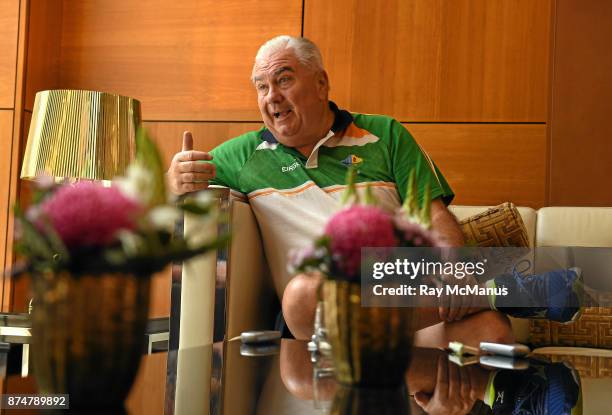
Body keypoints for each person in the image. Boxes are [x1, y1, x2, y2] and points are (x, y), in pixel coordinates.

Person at [167, 35, 569, 347]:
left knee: (491, 333)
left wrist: (450, 269)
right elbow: (163, 200)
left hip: (407, 301)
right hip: (325, 316)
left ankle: (458, 370)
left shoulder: (385, 134)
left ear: (321, 83)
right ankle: (500, 290)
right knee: (302, 296)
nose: (271, 96)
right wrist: (174, 181)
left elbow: (434, 218)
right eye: (261, 86)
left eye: (284, 79)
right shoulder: (244, 156)